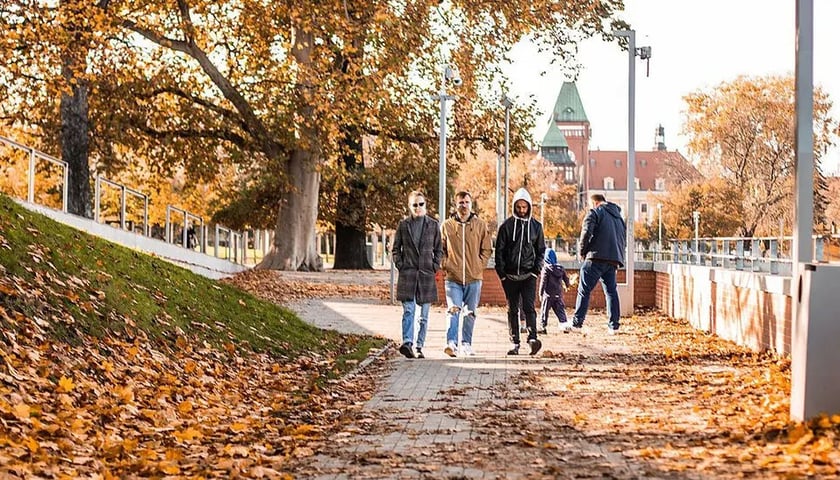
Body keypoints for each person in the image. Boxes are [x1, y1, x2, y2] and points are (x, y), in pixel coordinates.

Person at [440, 191, 492, 357]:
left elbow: (487, 248)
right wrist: (445, 264)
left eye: (467, 202)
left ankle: (466, 344)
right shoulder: (447, 226)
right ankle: (451, 343)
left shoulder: (480, 225)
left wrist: (479, 265)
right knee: (453, 310)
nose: (464, 205)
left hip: (473, 277)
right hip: (453, 277)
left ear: (471, 204)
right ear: (456, 205)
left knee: (470, 312)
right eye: (461, 202)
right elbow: (440, 249)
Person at [494, 188, 546, 355]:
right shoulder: (506, 226)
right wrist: (502, 274)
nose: (522, 210)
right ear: (514, 206)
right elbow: (499, 251)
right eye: (519, 207)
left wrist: (535, 271)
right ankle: (514, 342)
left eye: (525, 207)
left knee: (529, 307)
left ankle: (532, 338)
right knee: (513, 309)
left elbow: (541, 251)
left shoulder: (536, 227)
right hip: (509, 276)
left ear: (529, 207)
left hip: (528, 275)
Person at [392, 190, 443, 358]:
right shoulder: (403, 225)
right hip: (408, 275)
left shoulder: (433, 225)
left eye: (421, 204)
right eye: (415, 204)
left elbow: (439, 249)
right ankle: (407, 342)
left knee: (423, 315)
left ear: (425, 205)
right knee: (408, 310)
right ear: (410, 206)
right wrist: (401, 265)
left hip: (426, 275)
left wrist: (434, 266)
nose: (418, 207)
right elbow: (395, 249)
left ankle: (420, 345)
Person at [569, 193, 627, 334]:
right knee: (611, 292)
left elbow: (586, 232)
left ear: (594, 203)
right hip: (613, 260)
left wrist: (582, 252)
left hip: (595, 257)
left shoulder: (594, 212)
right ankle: (614, 326)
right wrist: (618, 258)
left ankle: (577, 323)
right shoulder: (619, 218)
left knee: (584, 290)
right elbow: (623, 239)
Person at [538, 247, 571, 334]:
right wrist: (568, 285)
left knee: (544, 311)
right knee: (560, 310)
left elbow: (543, 282)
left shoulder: (546, 269)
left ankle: (542, 327)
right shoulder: (561, 268)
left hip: (548, 294)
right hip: (558, 294)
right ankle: (564, 325)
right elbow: (566, 279)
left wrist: (540, 293)